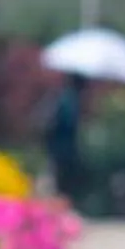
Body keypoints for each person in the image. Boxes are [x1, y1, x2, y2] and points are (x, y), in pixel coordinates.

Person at [46, 74, 89, 208]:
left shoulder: (64, 97)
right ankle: (62, 209)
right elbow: (68, 122)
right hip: (64, 147)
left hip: (59, 146)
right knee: (64, 181)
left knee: (61, 179)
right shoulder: (69, 99)